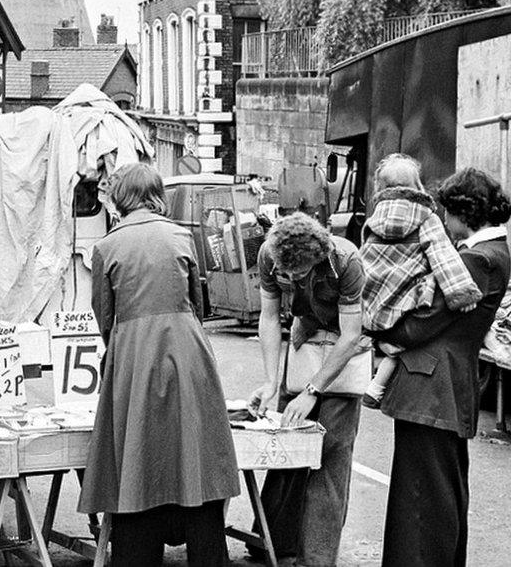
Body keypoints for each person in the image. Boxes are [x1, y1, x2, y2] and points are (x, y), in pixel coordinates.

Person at [78, 162, 239, 567]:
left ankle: (136, 554)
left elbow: (104, 315)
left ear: (120, 198)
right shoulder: (180, 236)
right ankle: (206, 555)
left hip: (133, 349)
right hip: (187, 347)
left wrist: (125, 348)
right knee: (195, 452)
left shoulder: (107, 246)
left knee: (135, 452)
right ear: (156, 195)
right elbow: (197, 304)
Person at [378, 167, 511, 567]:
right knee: (440, 494)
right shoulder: (493, 252)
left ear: (463, 211)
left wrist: (383, 329)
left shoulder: (478, 259)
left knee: (420, 501)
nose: (444, 222)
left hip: (432, 389)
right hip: (447, 386)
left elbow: (424, 321)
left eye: (447, 212)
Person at [246, 211, 364, 567]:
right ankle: (270, 541)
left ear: (317, 256)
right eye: (288, 274)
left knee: (331, 452)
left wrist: (313, 390)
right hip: (305, 341)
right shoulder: (269, 254)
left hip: (343, 352)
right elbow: (269, 317)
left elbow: (352, 335)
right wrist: (270, 381)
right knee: (287, 446)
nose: (293, 278)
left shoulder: (346, 261)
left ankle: (316, 558)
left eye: (301, 272)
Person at [359, 154, 481, 407]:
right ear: (417, 186)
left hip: (376, 298)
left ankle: (376, 378)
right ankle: (379, 384)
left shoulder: (374, 219)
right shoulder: (427, 217)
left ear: (381, 188)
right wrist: (461, 293)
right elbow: (443, 257)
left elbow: (367, 258)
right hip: (407, 298)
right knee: (403, 342)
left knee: (387, 341)